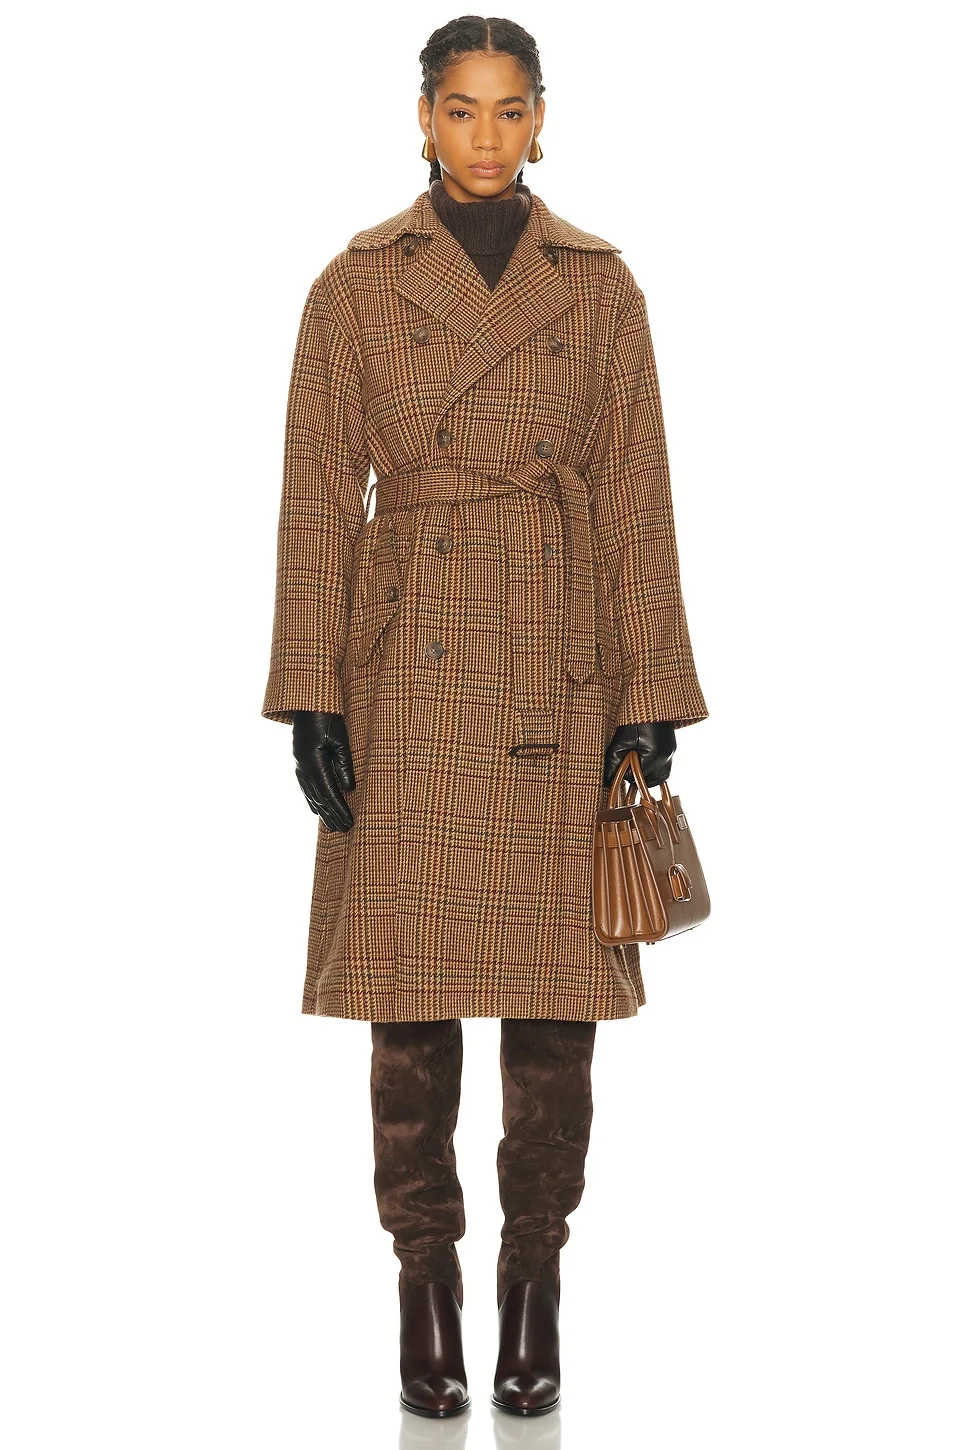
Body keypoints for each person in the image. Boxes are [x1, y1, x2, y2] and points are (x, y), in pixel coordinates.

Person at [260, 15, 708, 1421]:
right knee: (407, 1001)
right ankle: (424, 1283)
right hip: (406, 666)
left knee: (554, 1006)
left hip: (556, 661)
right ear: (421, 117)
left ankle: (532, 1278)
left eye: (510, 110)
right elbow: (316, 496)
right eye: (461, 109)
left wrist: (648, 695)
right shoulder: (355, 284)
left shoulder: (599, 285)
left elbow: (635, 496)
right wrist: (311, 692)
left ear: (541, 119)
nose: (487, 136)